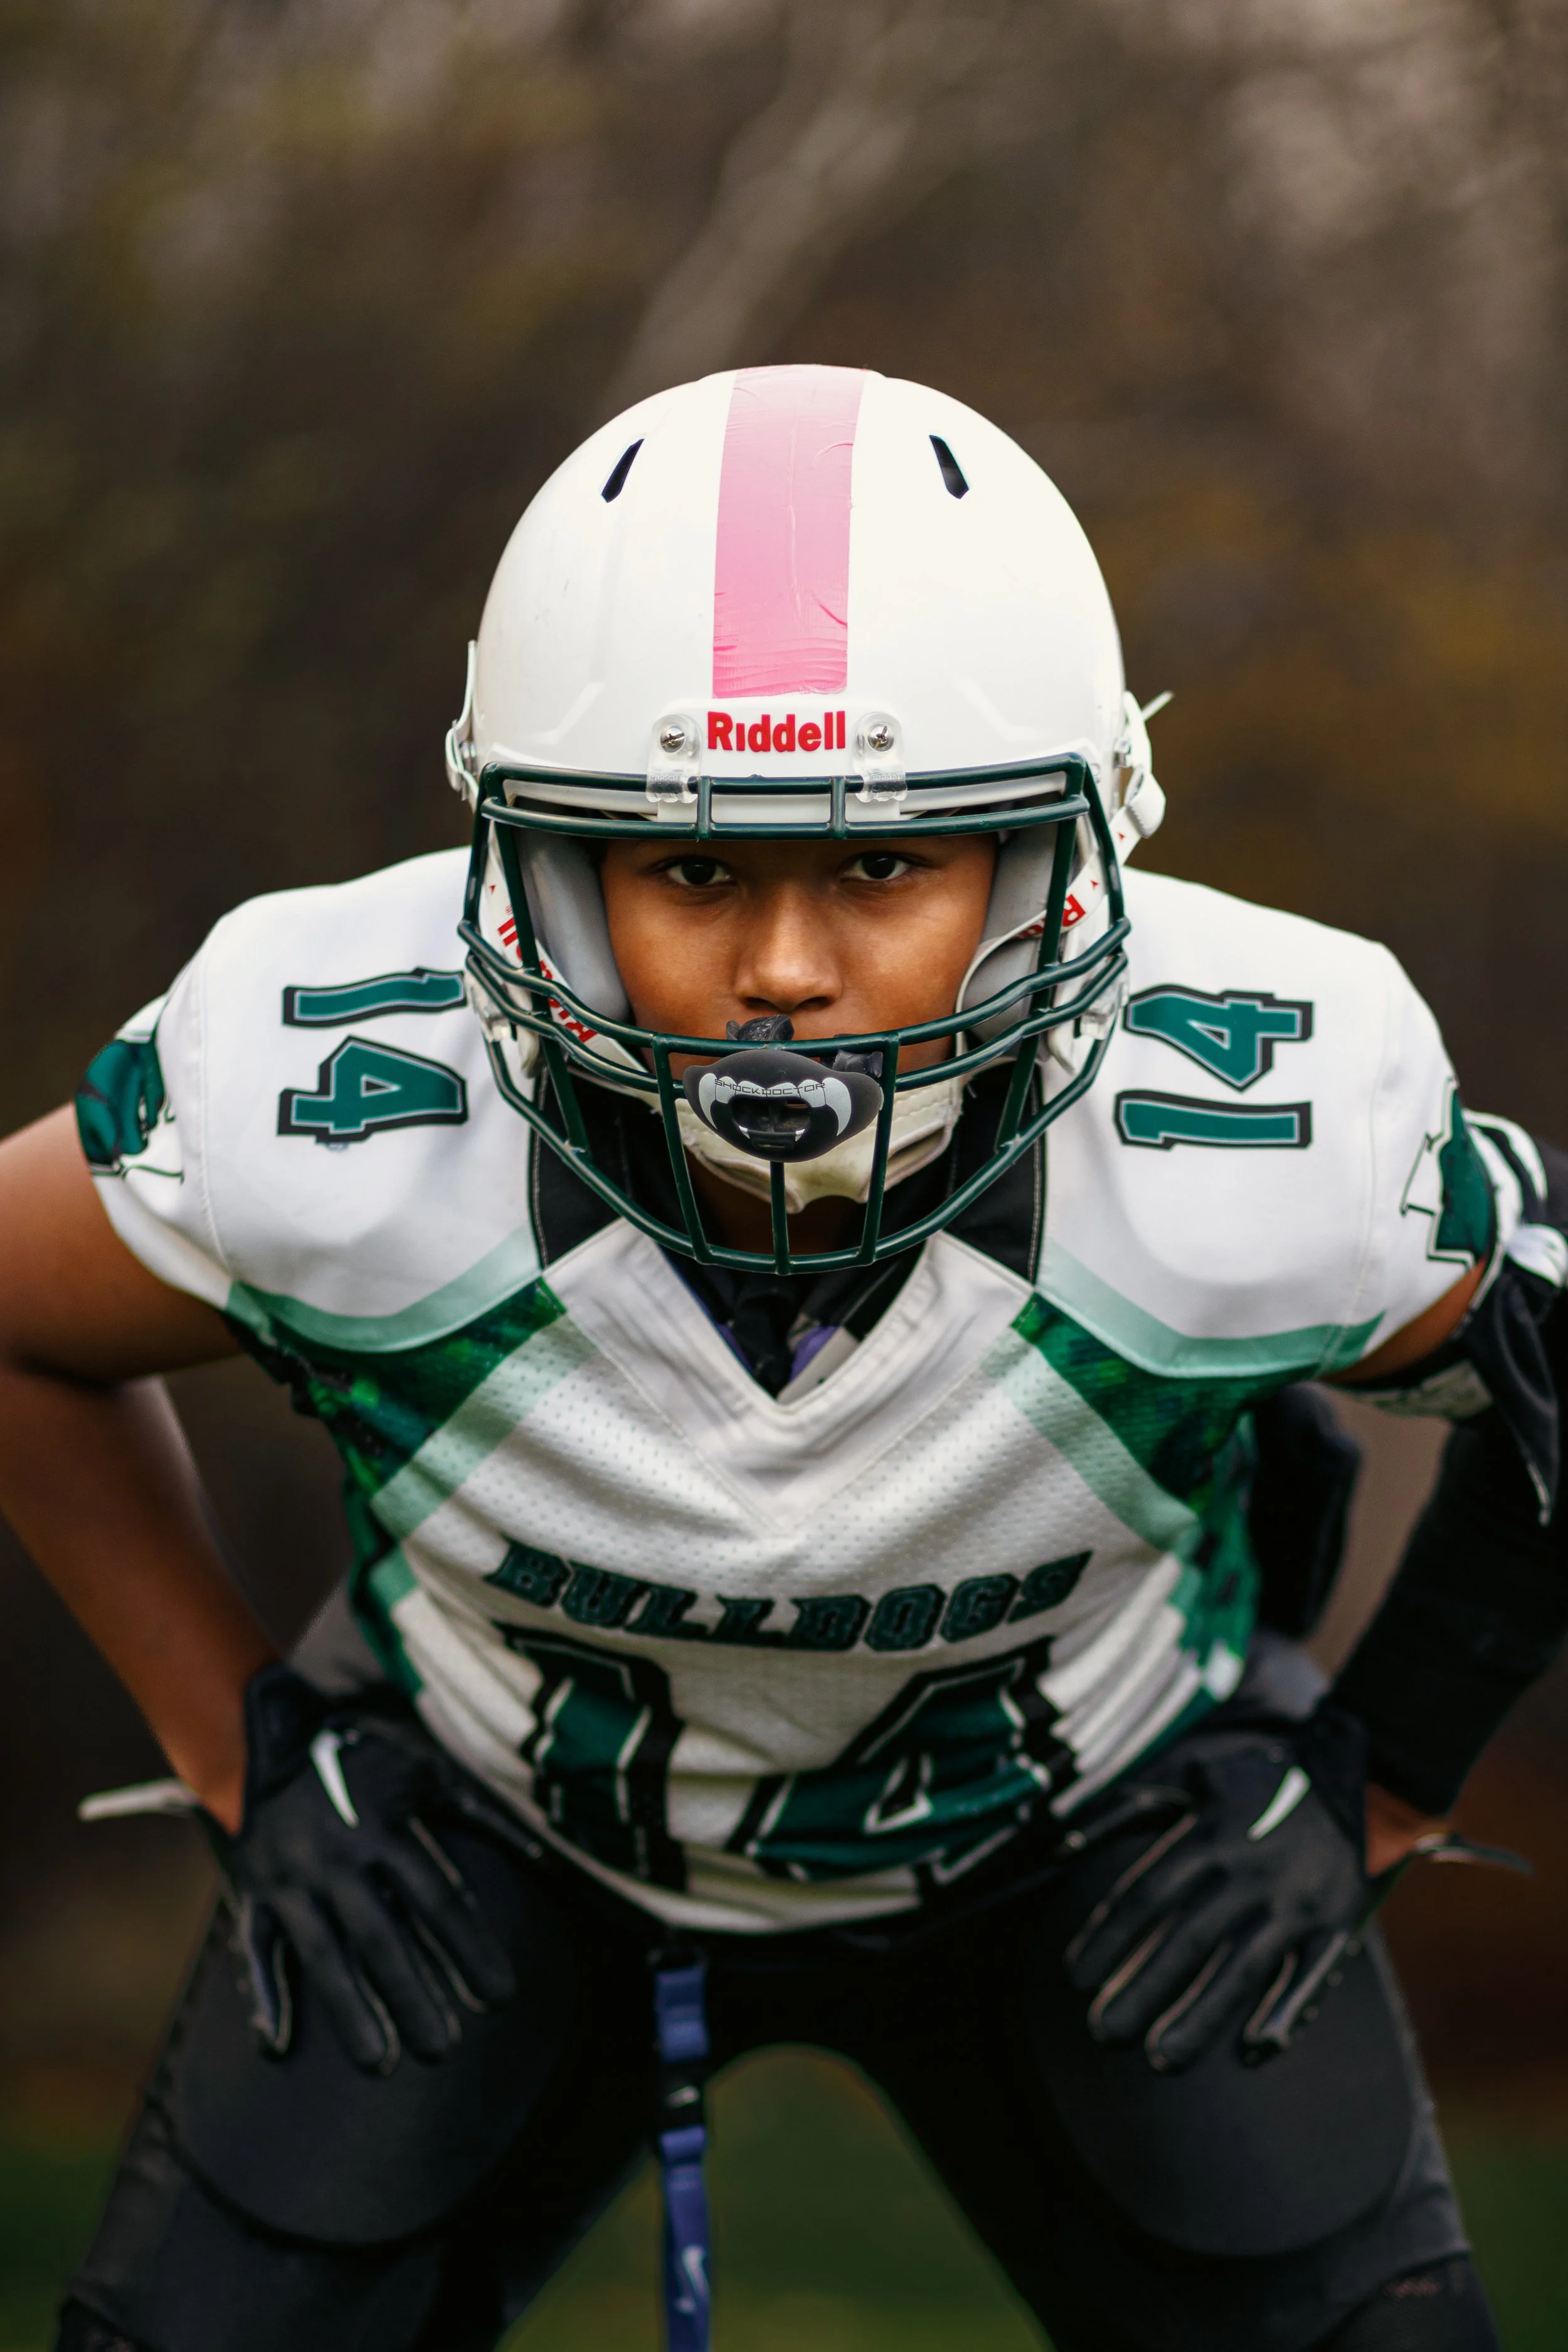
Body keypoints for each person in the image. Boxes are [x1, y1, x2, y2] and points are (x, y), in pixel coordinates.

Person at [1, 364, 1561, 2352]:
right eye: (696, 870)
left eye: (885, 867)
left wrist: (1380, 1776)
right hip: (495, 1828)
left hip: (1082, 1840)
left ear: (1056, 862)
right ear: (546, 869)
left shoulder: (1257, 1120)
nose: (787, 971)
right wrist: (237, 1737)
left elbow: (1548, 1367)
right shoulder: (338, 1093)